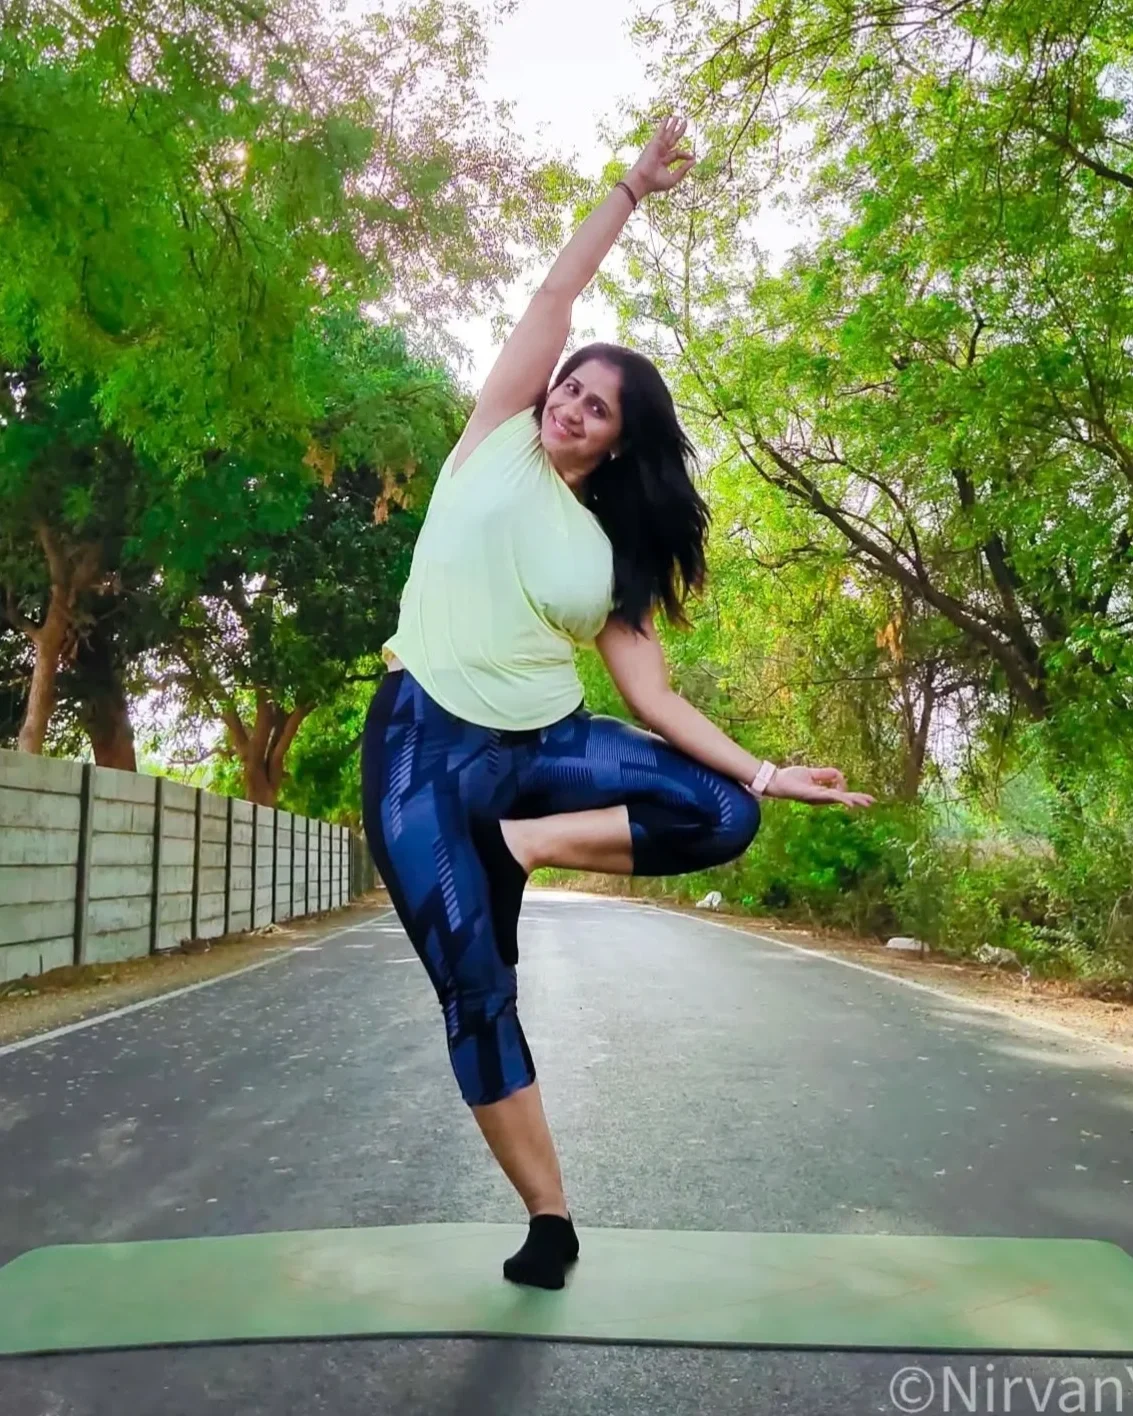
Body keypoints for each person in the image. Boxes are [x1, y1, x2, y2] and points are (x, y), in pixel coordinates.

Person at [361, 116, 874, 1292]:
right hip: (420, 747)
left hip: (538, 753)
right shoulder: (487, 439)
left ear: (618, 439)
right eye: (570, 387)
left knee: (725, 817)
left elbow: (649, 693)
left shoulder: (607, 555)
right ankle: (549, 1219)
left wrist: (761, 770)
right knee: (473, 984)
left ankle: (531, 842)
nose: (575, 404)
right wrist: (628, 192)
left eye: (599, 405)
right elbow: (557, 286)